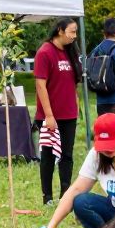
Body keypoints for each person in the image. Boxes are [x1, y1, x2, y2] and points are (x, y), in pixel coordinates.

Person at [34, 18, 82, 205]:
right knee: (48, 155)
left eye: (76, 32)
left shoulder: (70, 52)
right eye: (71, 32)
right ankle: (47, 197)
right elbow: (40, 85)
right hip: (49, 116)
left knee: (67, 155)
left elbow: (72, 84)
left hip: (69, 114)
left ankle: (65, 194)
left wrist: (76, 105)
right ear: (60, 31)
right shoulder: (45, 52)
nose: (74, 36)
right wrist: (49, 115)